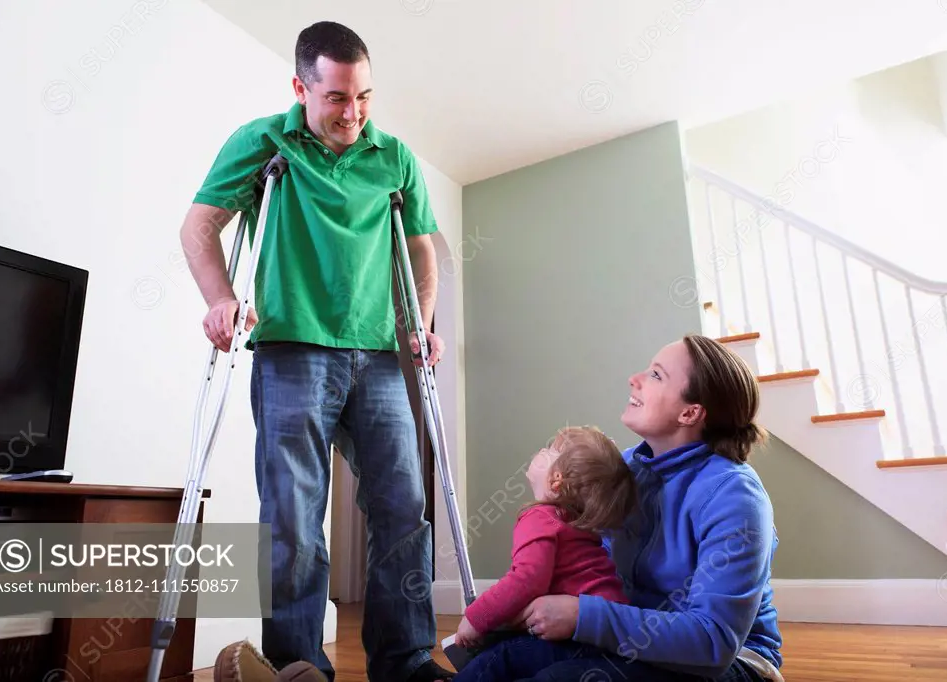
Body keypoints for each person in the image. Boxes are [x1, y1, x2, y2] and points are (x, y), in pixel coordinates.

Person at [179, 20, 455, 682]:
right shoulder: (264, 142)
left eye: (363, 97)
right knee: (294, 518)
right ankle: (298, 665)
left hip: (382, 357)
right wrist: (220, 300)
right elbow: (200, 224)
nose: (353, 113)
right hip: (292, 351)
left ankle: (406, 659)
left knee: (400, 507)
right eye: (337, 98)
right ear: (301, 87)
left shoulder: (396, 158)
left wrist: (418, 317)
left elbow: (419, 243)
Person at [509, 334, 784, 681]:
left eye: (656, 375)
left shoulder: (736, 497)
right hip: (633, 637)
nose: (634, 380)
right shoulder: (629, 469)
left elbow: (713, 642)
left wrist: (583, 617)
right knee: (501, 658)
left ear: (690, 412)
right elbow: (581, 557)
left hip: (732, 662)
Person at [450, 426, 639, 681]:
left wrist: (474, 619)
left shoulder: (539, 518)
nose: (541, 450)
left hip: (579, 637)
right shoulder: (576, 522)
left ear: (556, 480)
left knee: (500, 658)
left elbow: (526, 581)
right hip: (608, 635)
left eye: (549, 451)